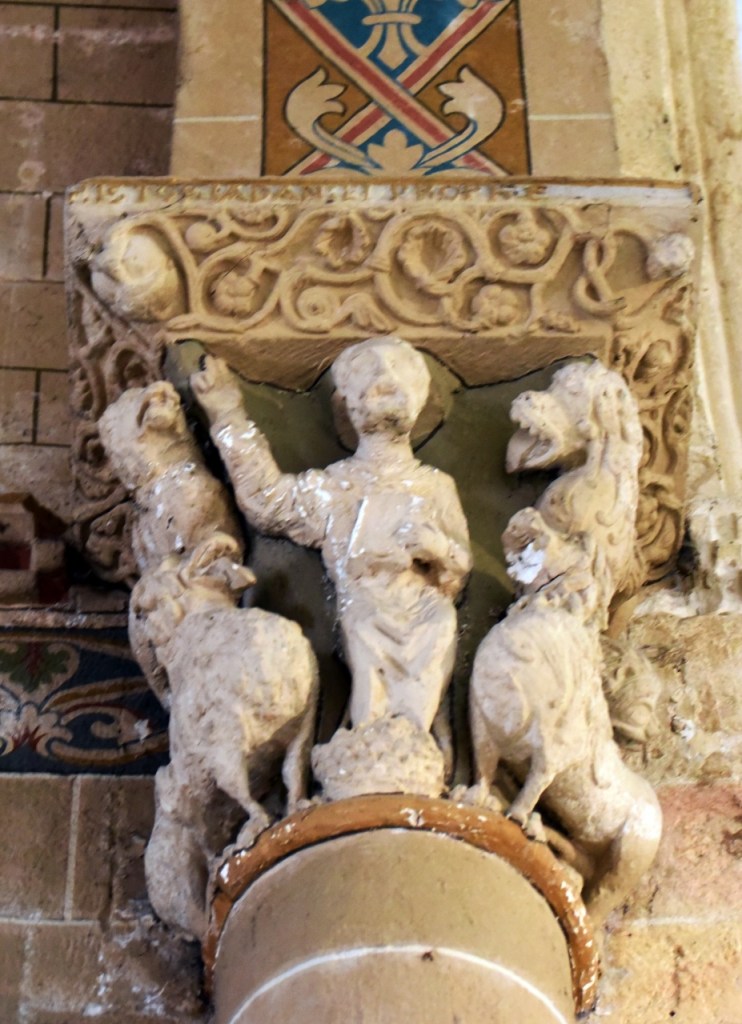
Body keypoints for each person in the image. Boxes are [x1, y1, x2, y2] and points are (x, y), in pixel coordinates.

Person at [192, 335, 472, 732]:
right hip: (366, 604)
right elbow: (266, 500)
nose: (385, 378)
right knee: (366, 630)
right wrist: (228, 415)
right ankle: (372, 736)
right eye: (369, 375)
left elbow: (460, 563)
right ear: (348, 405)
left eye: (398, 374)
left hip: (426, 608)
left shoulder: (436, 486)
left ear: (418, 398)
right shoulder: (335, 486)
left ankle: (413, 739)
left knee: (440, 626)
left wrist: (437, 548)